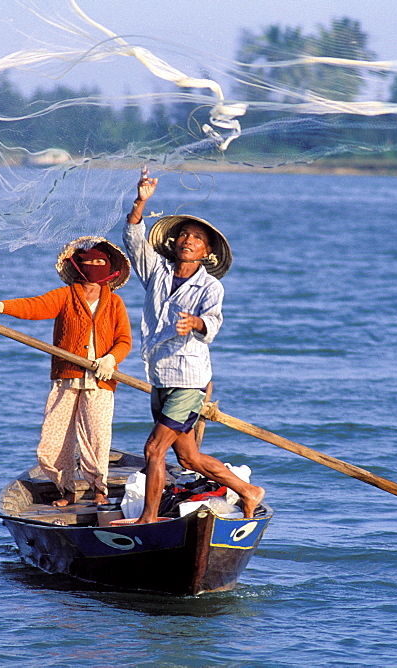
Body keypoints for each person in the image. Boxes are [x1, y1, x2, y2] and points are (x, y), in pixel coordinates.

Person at [123, 167, 264, 523]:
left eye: (196, 238)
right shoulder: (157, 271)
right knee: (188, 459)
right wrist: (141, 202)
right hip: (160, 374)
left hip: (190, 379)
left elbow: (213, 322)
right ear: (174, 243)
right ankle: (248, 490)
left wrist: (195, 322)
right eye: (183, 235)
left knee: (154, 449)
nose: (187, 240)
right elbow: (134, 239)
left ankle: (148, 519)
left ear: (206, 251)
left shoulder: (209, 287)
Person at [0, 237, 132, 507]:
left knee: (96, 437)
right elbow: (35, 306)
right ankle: (67, 490)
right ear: (78, 265)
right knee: (55, 437)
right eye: (89, 261)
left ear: (110, 268)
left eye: (101, 262)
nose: (94, 266)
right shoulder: (65, 295)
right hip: (67, 377)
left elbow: (124, 340)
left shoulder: (115, 303)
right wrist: (2, 307)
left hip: (100, 380)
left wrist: (110, 359)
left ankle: (100, 489)